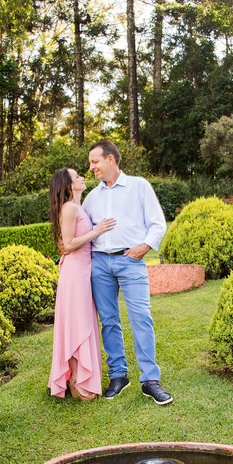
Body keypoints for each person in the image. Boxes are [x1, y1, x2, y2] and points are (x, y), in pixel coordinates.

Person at [81, 140, 173, 405]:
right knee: (109, 321)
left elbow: (157, 223)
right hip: (99, 263)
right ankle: (118, 375)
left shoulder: (139, 186)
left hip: (130, 261)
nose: (92, 167)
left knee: (141, 318)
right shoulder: (92, 197)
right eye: (90, 163)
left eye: (95, 161)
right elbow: (84, 230)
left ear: (111, 160)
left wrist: (143, 247)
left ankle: (150, 380)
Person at [48, 167, 115, 400]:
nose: (82, 177)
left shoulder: (79, 207)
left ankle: (80, 377)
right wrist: (96, 232)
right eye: (77, 176)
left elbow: (66, 242)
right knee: (78, 323)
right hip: (75, 272)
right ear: (68, 185)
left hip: (84, 270)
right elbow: (69, 242)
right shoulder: (68, 208)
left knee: (84, 321)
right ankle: (78, 380)